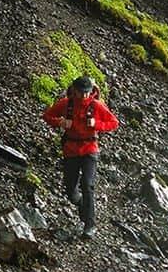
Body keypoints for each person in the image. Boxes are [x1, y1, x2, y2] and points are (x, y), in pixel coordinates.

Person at [42, 75, 118, 238]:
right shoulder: (66, 104)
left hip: (90, 149)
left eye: (87, 92)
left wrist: (97, 125)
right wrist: (60, 123)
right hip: (71, 149)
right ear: (74, 91)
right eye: (81, 92)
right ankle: (84, 205)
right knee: (71, 191)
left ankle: (89, 225)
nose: (84, 96)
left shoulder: (97, 105)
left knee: (87, 184)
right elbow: (47, 116)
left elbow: (113, 123)